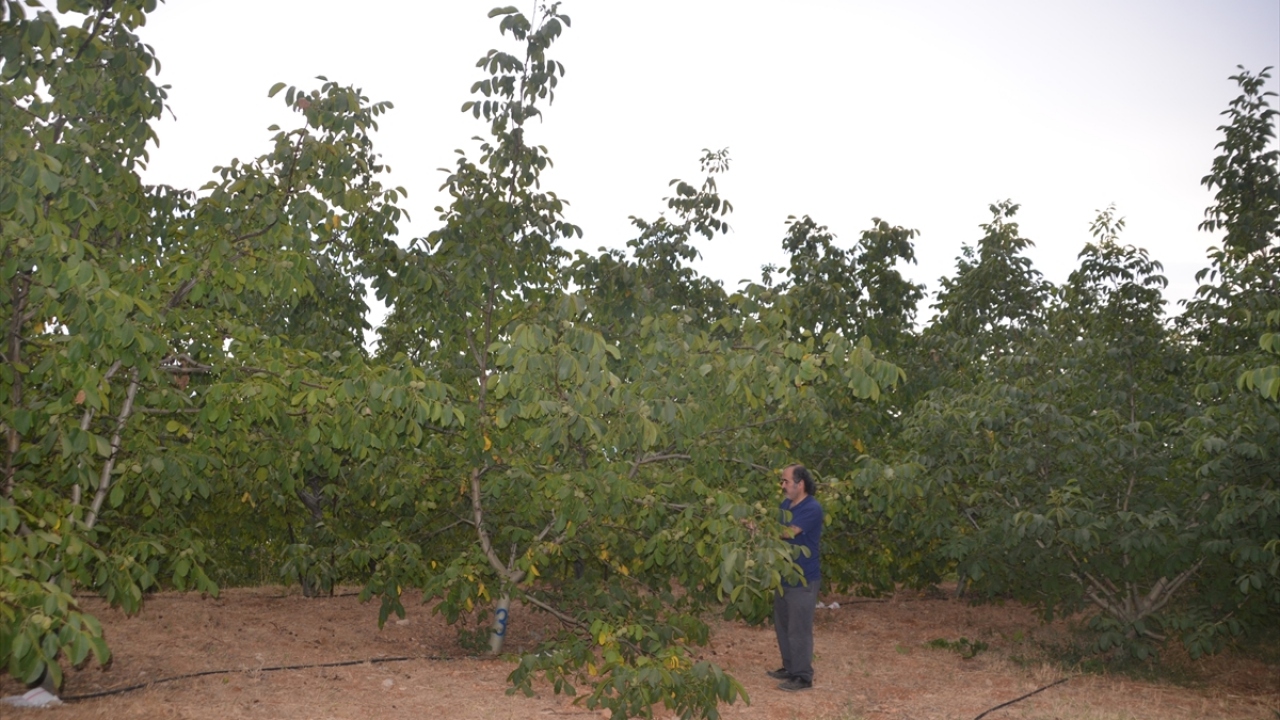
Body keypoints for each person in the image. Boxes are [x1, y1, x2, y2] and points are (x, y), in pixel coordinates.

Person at [768, 463, 822, 691]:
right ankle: (790, 667)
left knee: (798, 629)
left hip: (802, 579)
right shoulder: (786, 504)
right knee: (783, 625)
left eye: (786, 481)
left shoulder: (812, 508)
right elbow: (774, 527)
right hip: (783, 576)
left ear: (800, 484)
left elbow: (788, 532)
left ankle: (803, 676)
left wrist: (761, 530)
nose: (782, 485)